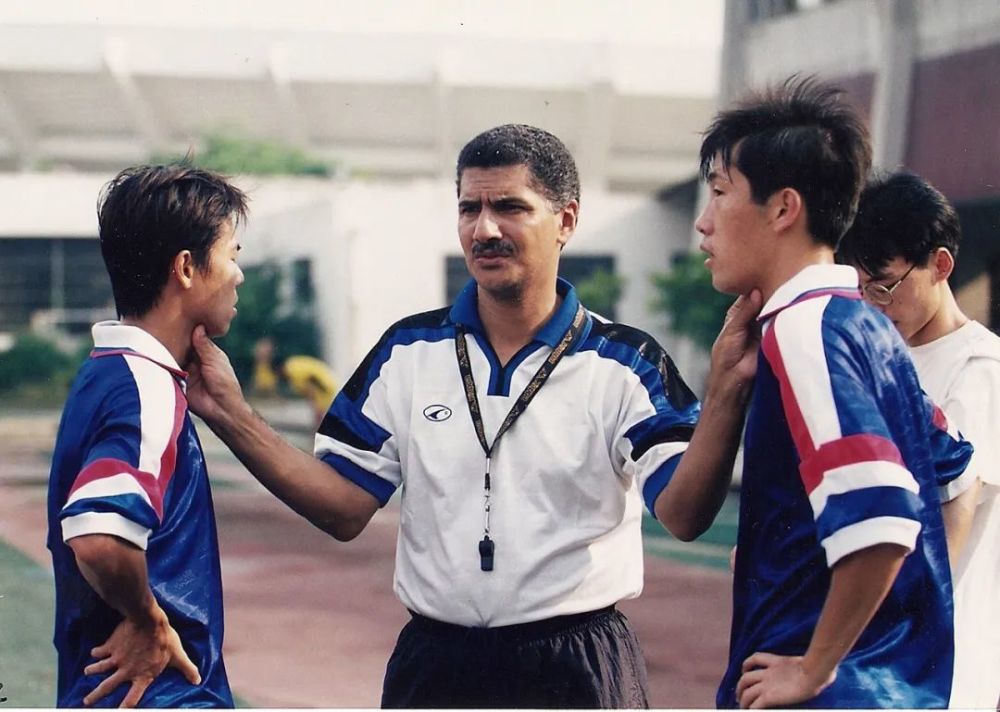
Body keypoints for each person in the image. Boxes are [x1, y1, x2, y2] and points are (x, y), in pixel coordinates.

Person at [184, 123, 756, 708]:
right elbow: (344, 507)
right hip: (437, 667)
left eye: (510, 207)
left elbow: (684, 515)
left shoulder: (626, 362)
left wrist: (729, 389)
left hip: (575, 666)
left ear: (566, 220)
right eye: (469, 208)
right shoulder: (406, 352)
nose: (484, 229)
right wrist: (230, 413)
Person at [692, 77, 973, 708]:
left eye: (718, 194)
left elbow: (880, 516)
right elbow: (951, 456)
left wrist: (814, 668)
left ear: (784, 208)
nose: (704, 225)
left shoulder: (804, 331)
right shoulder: (864, 323)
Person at [46, 164, 247, 707]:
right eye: (232, 254)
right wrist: (149, 621)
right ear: (186, 267)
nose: (238, 274)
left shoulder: (105, 371)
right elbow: (98, 534)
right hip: (160, 695)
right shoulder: (146, 387)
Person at [838, 171, 1000, 710]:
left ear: (940, 265)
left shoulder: (980, 370)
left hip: (938, 668)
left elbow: (955, 506)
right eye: (862, 288)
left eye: (884, 285)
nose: (873, 303)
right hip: (880, 655)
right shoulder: (885, 354)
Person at [251, 336, 339, 427]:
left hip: (325, 386)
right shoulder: (290, 369)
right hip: (326, 385)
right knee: (320, 416)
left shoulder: (292, 369)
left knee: (320, 416)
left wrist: (315, 402)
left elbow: (312, 380)